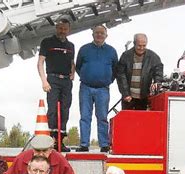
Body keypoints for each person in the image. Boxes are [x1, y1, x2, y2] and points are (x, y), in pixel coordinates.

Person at [75, 25, 118, 153]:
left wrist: (108, 80)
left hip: (103, 89)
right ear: (92, 34)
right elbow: (78, 67)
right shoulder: (84, 49)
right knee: (85, 116)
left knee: (102, 117)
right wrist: (87, 76)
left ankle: (104, 144)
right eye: (97, 33)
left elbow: (116, 69)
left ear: (106, 35)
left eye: (102, 33)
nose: (99, 35)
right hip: (86, 88)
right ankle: (84, 144)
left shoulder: (111, 51)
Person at [37, 18, 75, 152]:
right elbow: (40, 62)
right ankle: (51, 140)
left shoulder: (71, 46)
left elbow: (72, 62)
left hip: (66, 81)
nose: (62, 31)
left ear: (68, 30)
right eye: (60, 28)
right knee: (52, 109)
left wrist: (72, 73)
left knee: (65, 109)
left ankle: (60, 140)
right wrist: (44, 81)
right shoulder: (47, 42)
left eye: (65, 29)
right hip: (52, 79)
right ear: (56, 28)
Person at [1, 134, 77, 174]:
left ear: (51, 150)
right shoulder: (21, 158)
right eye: (37, 150)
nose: (41, 154)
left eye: (44, 151)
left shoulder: (60, 160)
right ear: (33, 149)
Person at [116, 33, 163, 110]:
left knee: (142, 121)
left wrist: (157, 82)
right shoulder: (125, 56)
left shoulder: (153, 56)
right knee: (128, 120)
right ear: (134, 43)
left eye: (144, 45)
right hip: (128, 98)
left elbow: (158, 70)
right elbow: (120, 75)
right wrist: (125, 94)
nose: (141, 48)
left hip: (144, 97)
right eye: (139, 45)